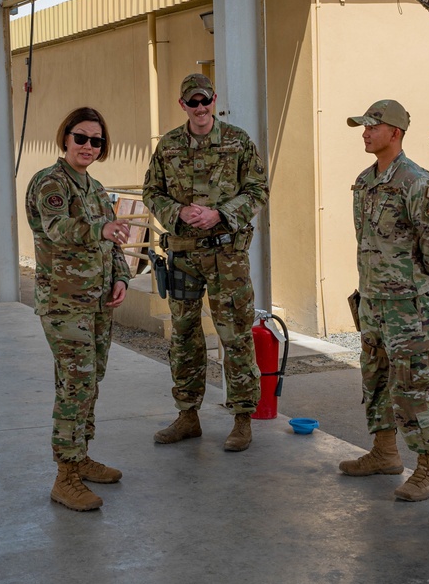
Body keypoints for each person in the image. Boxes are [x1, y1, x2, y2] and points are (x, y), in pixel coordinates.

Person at [143, 73, 269, 452]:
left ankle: (243, 417)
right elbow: (151, 190)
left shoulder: (238, 141)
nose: (200, 108)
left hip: (226, 255)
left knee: (235, 336)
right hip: (183, 255)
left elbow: (258, 189)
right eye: (192, 102)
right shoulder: (168, 146)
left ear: (214, 100)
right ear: (182, 105)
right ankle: (187, 415)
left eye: (205, 101)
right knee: (184, 337)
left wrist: (221, 214)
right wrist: (178, 211)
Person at [338, 99, 429, 502]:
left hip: (409, 307)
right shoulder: (365, 182)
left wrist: (408, 284)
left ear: (395, 133)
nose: (365, 132)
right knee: (377, 381)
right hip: (372, 302)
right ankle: (385, 453)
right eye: (363, 126)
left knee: (415, 388)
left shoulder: (418, 182)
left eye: (373, 126)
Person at [26, 107, 131, 512]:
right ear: (65, 138)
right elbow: (57, 229)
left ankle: (80, 456)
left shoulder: (96, 188)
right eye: (81, 137)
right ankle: (65, 477)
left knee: (91, 379)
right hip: (65, 303)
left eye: (97, 140)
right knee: (75, 383)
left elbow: (114, 239)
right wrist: (99, 229)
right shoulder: (50, 183)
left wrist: (120, 275)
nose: (89, 146)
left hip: (98, 302)